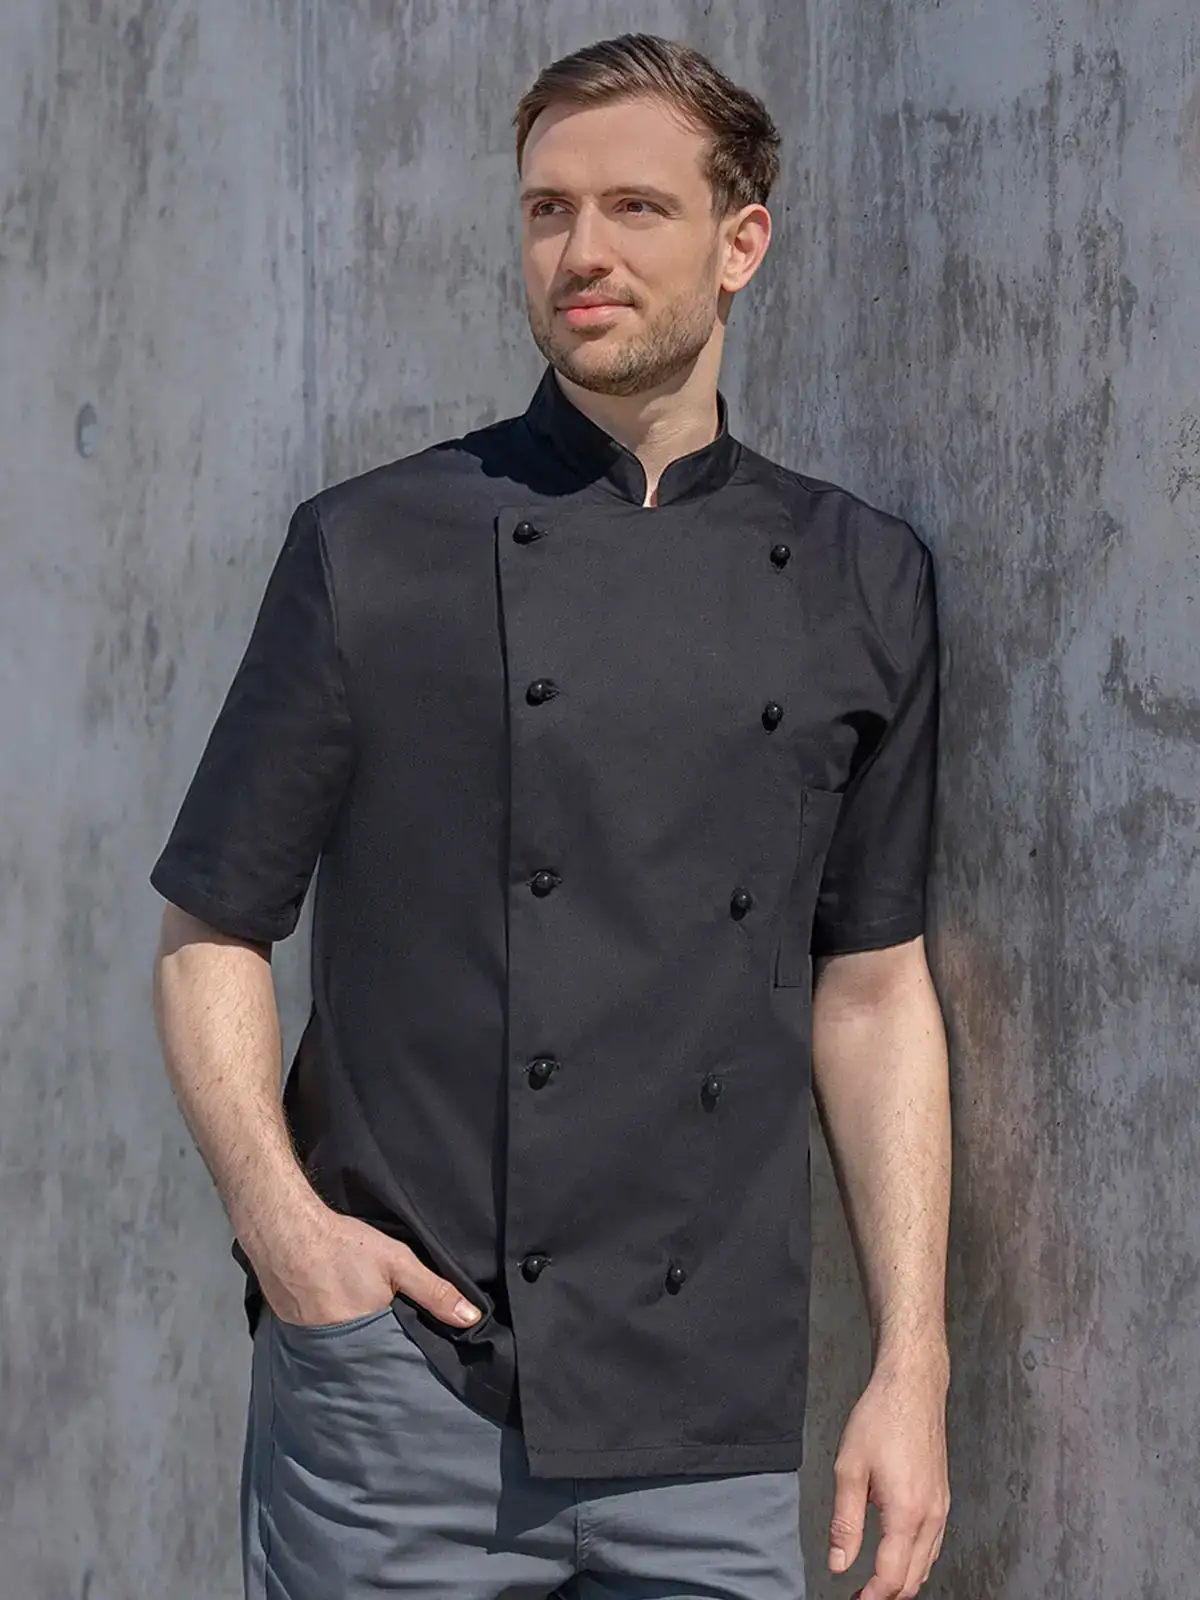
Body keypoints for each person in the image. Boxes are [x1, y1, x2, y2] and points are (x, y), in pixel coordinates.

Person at [150, 30, 951, 1600]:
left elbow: (871, 991)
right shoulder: (371, 549)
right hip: (403, 1399)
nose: (582, 251)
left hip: (711, 1423)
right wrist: (284, 1230)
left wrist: (910, 1363)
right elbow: (210, 932)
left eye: (636, 208)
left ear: (741, 244)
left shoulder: (862, 580)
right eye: (547, 209)